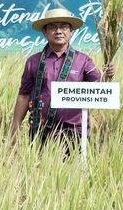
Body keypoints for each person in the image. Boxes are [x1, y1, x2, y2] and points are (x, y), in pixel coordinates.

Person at [9, 8, 115, 152]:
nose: (58, 31)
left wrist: (107, 76)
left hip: (75, 132)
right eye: (52, 27)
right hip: (40, 131)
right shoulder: (33, 62)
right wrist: (14, 127)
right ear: (44, 32)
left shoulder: (83, 60)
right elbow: (24, 95)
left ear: (71, 31)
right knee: (39, 173)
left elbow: (99, 89)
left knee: (75, 173)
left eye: (63, 26)